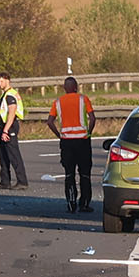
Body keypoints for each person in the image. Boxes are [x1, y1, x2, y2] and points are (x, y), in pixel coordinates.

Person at [47, 73, 97, 212]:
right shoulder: (83, 99)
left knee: (69, 174)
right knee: (85, 174)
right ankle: (85, 203)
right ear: (76, 87)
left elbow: (50, 121)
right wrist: (89, 133)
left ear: (64, 88)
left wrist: (59, 135)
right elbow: (92, 118)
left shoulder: (58, 102)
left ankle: (71, 202)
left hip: (66, 142)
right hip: (82, 141)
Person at [0, 72, 29, 189]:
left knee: (14, 155)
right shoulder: (5, 95)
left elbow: (12, 113)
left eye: (2, 81)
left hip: (10, 126)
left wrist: (6, 131)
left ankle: (22, 182)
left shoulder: (10, 95)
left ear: (8, 80)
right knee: (3, 155)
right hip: (4, 126)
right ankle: (5, 181)